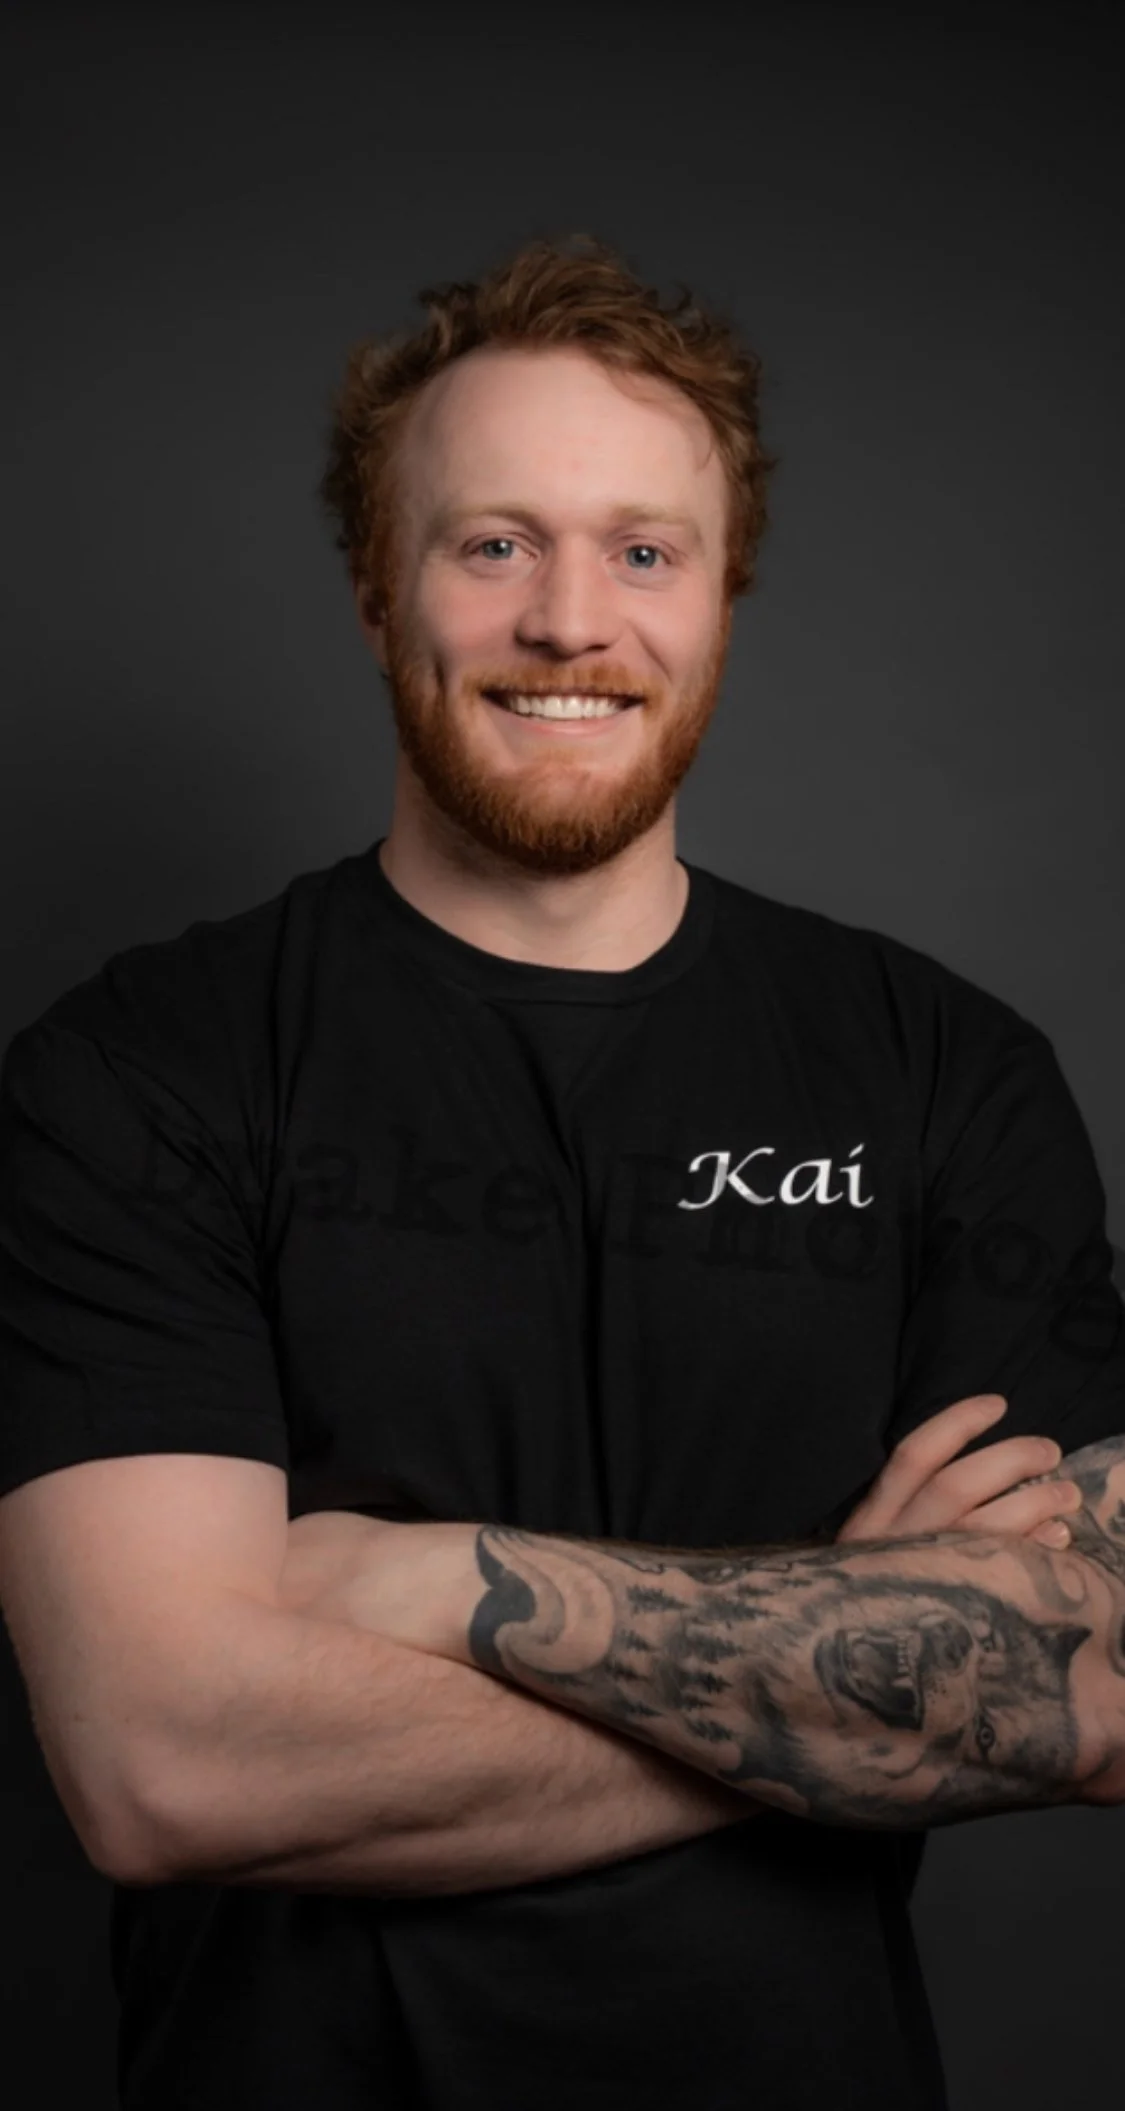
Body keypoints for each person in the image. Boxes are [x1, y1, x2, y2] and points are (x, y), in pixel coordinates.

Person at [0, 231, 1121, 2111]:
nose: (572, 621)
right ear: (380, 593)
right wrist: (856, 1645)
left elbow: (1090, 1683)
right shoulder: (140, 1070)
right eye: (493, 541)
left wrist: (429, 1583)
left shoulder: (947, 1069)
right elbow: (166, 1762)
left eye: (644, 550)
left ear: (724, 599)